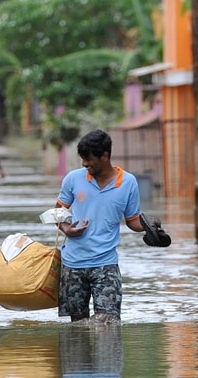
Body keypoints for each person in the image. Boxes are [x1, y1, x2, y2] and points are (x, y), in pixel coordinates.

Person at [53, 129, 146, 323]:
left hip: (106, 264)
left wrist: (149, 227)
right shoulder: (73, 179)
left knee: (108, 323)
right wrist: (67, 229)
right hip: (72, 265)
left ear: (104, 156)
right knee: (78, 327)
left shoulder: (128, 183)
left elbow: (132, 220)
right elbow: (57, 212)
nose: (84, 164)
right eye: (82, 159)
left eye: (88, 159)